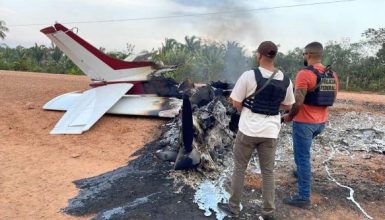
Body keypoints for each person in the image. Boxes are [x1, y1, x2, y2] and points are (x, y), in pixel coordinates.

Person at [218, 41, 295, 219]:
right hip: (270, 132)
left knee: (239, 168)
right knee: (268, 172)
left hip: (248, 130)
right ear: (274, 56)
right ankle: (269, 212)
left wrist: (243, 107)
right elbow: (288, 105)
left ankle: (234, 208)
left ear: (259, 55)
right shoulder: (285, 79)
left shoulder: (249, 75)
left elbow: (236, 102)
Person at [282, 42, 339, 208]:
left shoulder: (304, 74)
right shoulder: (332, 74)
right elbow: (332, 98)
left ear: (308, 55)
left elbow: (297, 101)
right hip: (321, 123)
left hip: (304, 124)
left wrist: (289, 116)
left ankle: (303, 197)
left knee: (303, 158)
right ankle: (301, 173)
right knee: (303, 157)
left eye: (304, 55)